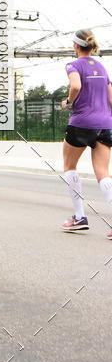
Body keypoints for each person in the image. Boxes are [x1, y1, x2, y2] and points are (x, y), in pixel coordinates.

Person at [60, 29, 112, 238]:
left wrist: (69, 102)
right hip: (105, 124)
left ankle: (79, 217)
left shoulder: (73, 65)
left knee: (69, 166)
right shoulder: (102, 66)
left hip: (82, 122)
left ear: (76, 45)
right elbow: (111, 98)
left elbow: (75, 85)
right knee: (103, 172)